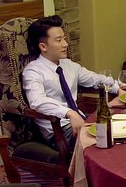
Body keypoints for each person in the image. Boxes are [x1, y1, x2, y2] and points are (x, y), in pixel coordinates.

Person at [22, 15, 119, 148]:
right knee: (104, 139)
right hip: (59, 131)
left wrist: (118, 88)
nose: (65, 44)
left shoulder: (68, 65)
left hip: (81, 120)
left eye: (64, 38)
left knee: (120, 131)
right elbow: (37, 101)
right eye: (59, 40)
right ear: (43, 46)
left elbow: (96, 79)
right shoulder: (33, 71)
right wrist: (68, 113)